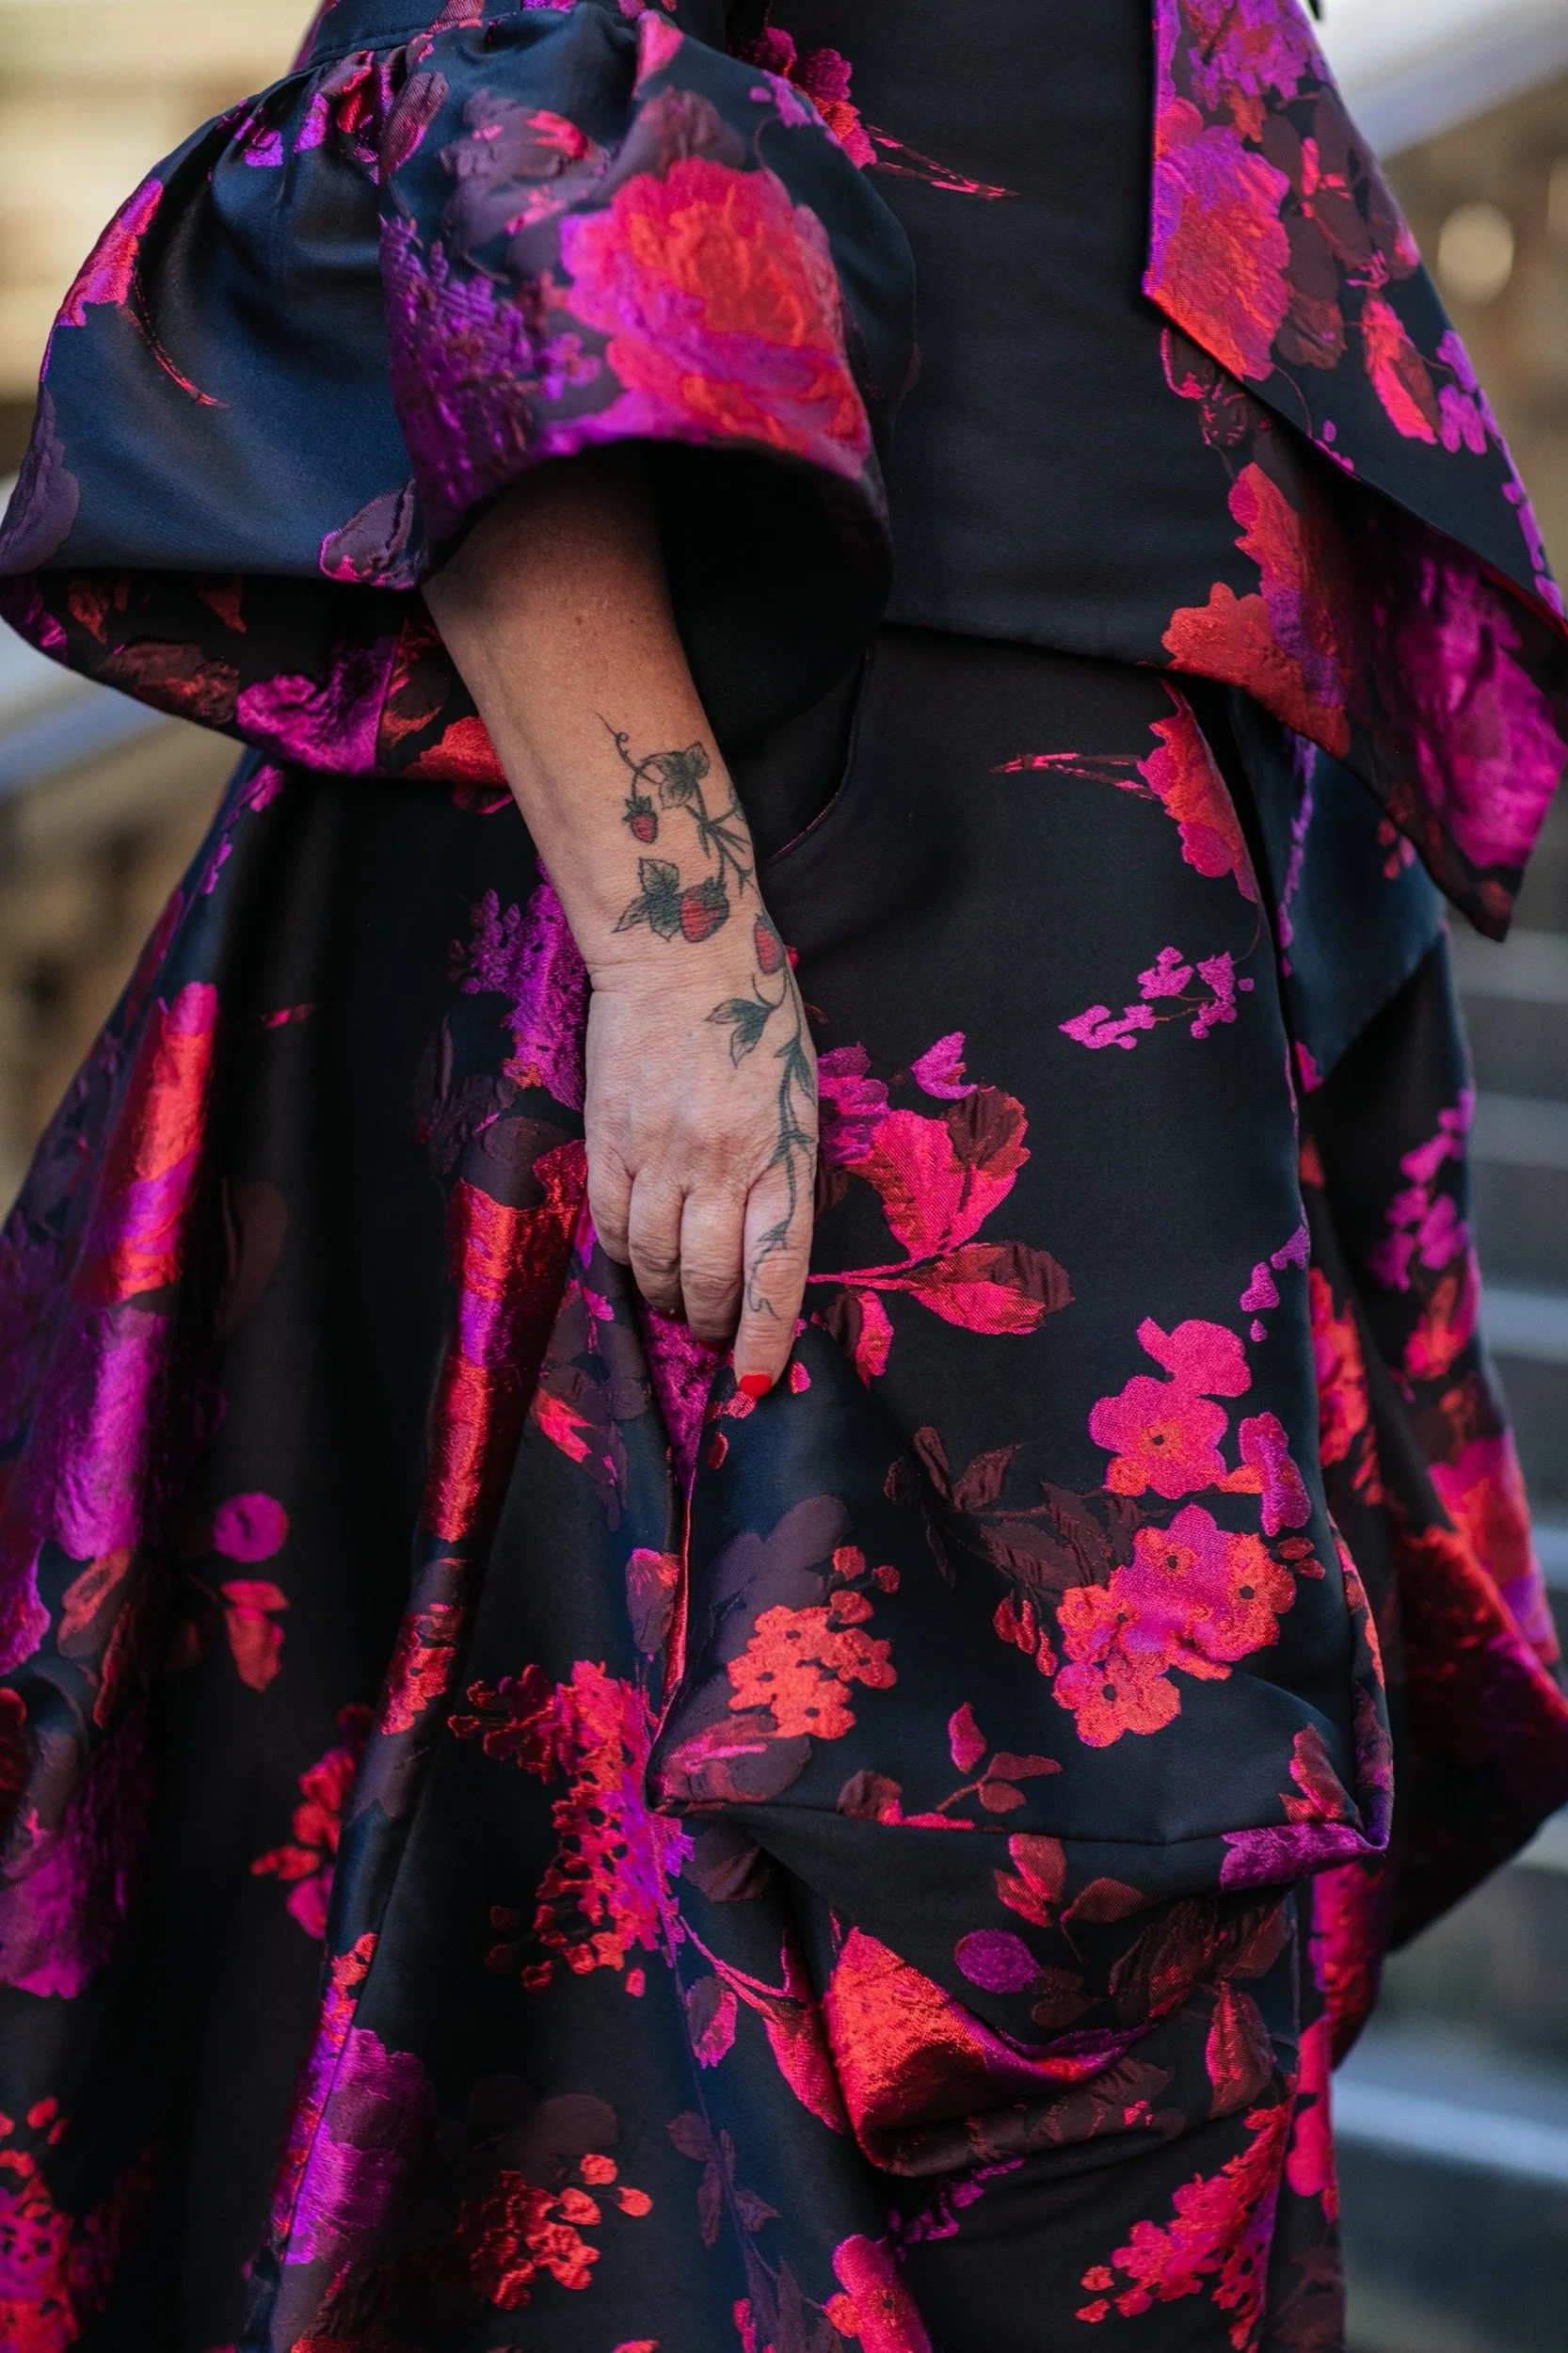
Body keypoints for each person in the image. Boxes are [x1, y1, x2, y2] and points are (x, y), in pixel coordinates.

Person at [1, 2, 1567, 2346]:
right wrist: (673, 938)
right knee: (691, 1985)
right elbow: (488, 130)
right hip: (788, 862)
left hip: (1118, 856)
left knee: (1095, 1903)